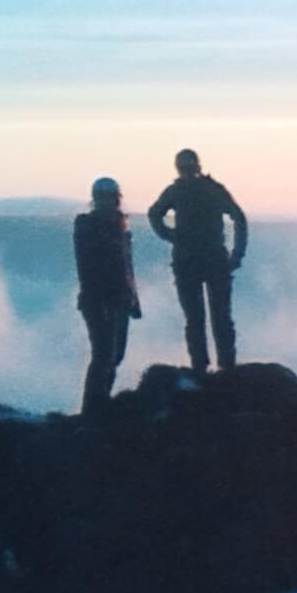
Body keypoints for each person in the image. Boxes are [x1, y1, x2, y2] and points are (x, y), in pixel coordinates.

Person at [147, 149, 248, 372]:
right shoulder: (211, 189)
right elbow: (239, 217)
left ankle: (206, 368)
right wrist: (237, 255)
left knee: (201, 319)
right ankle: (222, 367)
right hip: (207, 260)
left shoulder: (179, 190)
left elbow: (154, 214)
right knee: (213, 318)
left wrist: (170, 235)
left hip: (192, 261)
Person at [72, 176, 142, 416]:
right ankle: (91, 410)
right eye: (100, 197)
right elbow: (85, 265)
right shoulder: (86, 225)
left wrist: (134, 299)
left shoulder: (121, 227)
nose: (105, 202)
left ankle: (100, 405)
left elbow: (127, 265)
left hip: (120, 298)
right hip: (97, 299)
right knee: (103, 353)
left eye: (108, 197)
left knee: (115, 354)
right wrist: (95, 299)